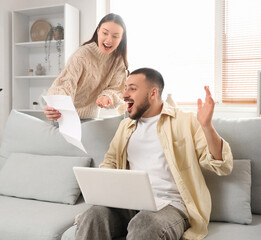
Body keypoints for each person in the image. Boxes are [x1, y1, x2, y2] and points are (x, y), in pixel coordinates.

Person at [75, 68, 233, 240]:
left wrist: (207, 127)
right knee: (93, 216)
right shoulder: (125, 127)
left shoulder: (185, 121)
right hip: (129, 203)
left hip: (171, 206)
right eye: (125, 88)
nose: (125, 94)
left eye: (132, 89)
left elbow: (222, 166)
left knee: (144, 223)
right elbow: (110, 162)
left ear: (153, 93)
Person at [44, 13, 128, 121]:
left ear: (121, 38)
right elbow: (65, 84)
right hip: (66, 118)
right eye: (105, 33)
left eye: (115, 36)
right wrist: (56, 106)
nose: (109, 40)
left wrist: (107, 96)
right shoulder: (82, 55)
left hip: (91, 119)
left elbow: (117, 88)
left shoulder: (118, 60)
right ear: (98, 31)